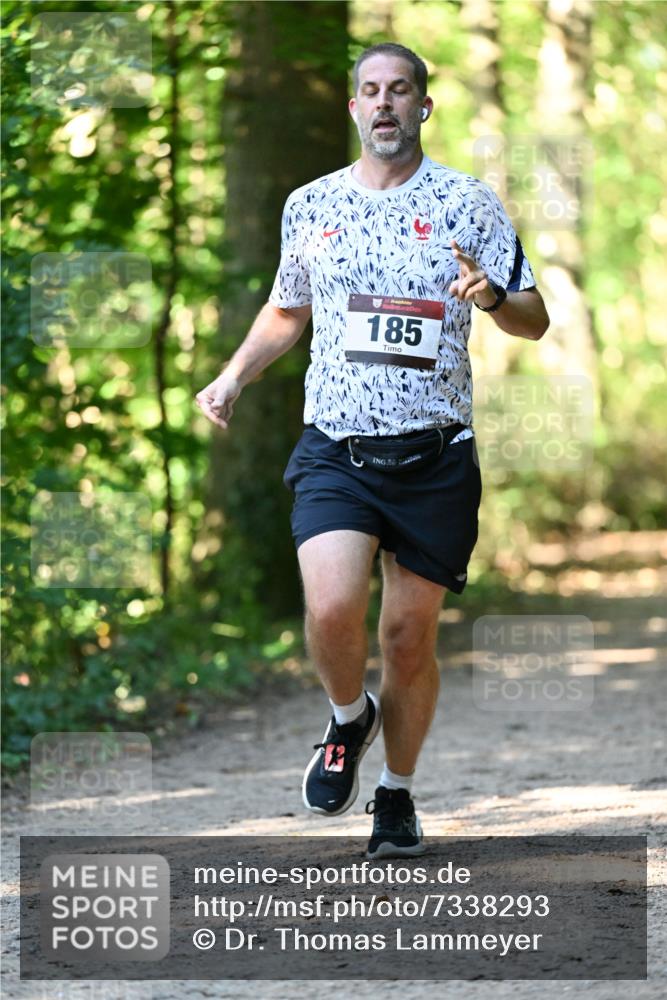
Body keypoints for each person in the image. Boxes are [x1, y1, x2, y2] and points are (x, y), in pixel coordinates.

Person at [196, 43, 549, 859]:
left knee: (405, 641)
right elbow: (288, 311)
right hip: (336, 448)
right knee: (327, 609)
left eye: (400, 91)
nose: (384, 103)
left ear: (424, 106)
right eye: (369, 91)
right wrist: (232, 377)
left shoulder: (468, 203)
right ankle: (348, 716)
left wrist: (491, 296)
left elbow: (532, 317)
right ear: (353, 109)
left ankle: (395, 793)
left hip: (434, 457)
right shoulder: (310, 205)